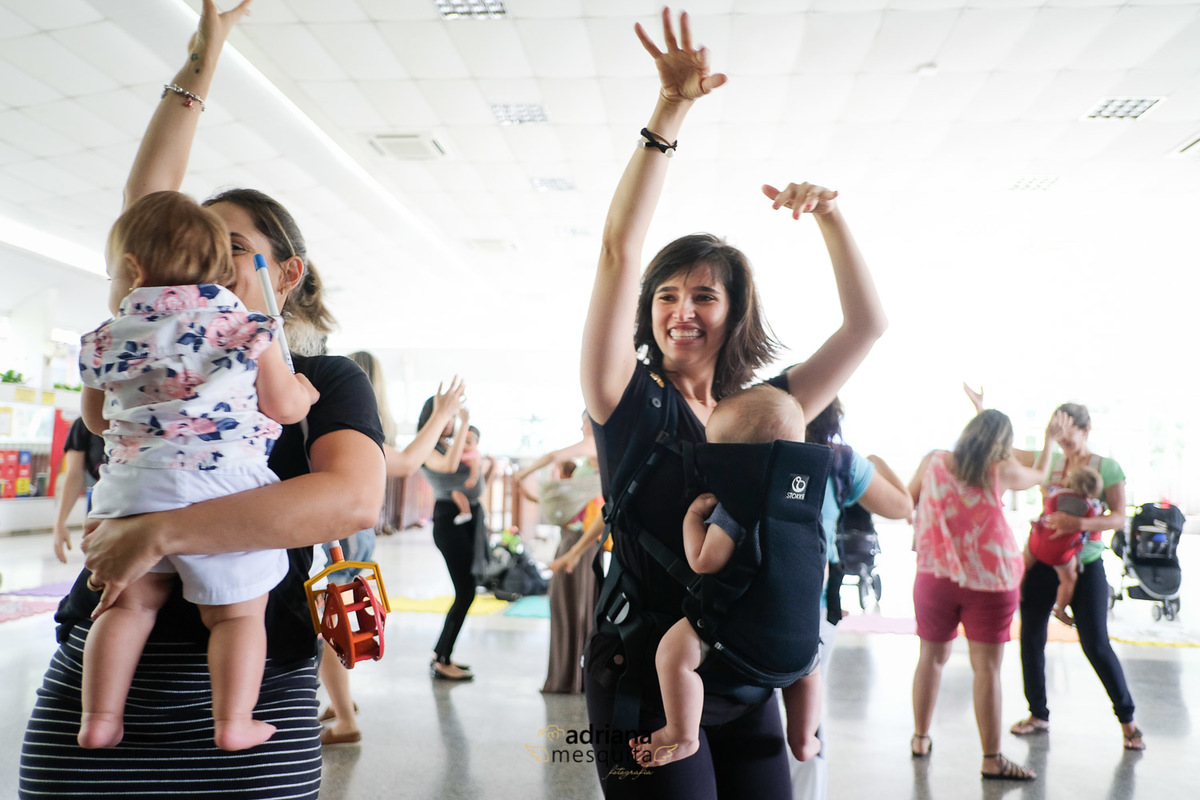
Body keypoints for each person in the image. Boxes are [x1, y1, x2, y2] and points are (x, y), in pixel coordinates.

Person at [19, 2, 385, 796]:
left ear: (287, 274)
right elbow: (142, 210)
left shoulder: (330, 380)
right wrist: (201, 59)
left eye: (233, 250)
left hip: (257, 691)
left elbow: (351, 501)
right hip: (98, 672)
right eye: (196, 249)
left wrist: (155, 533)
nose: (207, 265)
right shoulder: (150, 334)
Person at [580, 10, 887, 796]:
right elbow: (617, 252)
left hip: (746, 671)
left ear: (734, 310)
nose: (682, 311)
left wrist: (830, 216)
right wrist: (669, 111)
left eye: (704, 296)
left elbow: (866, 325)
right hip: (644, 676)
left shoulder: (767, 409)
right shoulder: (624, 397)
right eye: (668, 295)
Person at [75, 190, 318, 752]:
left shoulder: (108, 335)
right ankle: (233, 722)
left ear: (133, 270)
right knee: (236, 616)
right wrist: (304, 392)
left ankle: (101, 719)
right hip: (224, 487)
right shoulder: (247, 325)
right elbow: (284, 407)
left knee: (127, 604)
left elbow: (97, 420)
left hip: (132, 489)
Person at [632, 386, 821, 768]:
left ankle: (681, 734)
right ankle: (804, 738)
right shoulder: (805, 510)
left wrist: (692, 519)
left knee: (673, 654)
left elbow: (705, 561)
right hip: (799, 643)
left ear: (734, 459)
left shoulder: (737, 504)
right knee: (809, 670)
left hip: (742, 632)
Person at [906, 408, 1067, 781]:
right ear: (1002, 443)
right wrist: (1048, 440)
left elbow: (907, 501)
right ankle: (991, 759)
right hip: (990, 580)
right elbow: (1041, 474)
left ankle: (920, 738)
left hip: (936, 575)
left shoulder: (934, 461)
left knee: (930, 658)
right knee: (987, 669)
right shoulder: (1000, 469)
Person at [317, 356, 466, 746]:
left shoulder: (344, 429)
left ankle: (346, 719)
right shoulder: (360, 430)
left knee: (327, 622)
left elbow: (408, 463)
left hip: (341, 536)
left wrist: (443, 414)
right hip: (355, 534)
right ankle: (341, 701)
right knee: (333, 617)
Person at [786, 396, 911, 799]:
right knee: (808, 713)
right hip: (815, 605)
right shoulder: (840, 461)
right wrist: (874, 460)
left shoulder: (749, 447)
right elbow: (902, 505)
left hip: (747, 602)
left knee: (756, 713)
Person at [1010, 402, 1146, 752]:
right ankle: (1038, 714)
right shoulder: (1050, 460)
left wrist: (1079, 523)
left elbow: (1118, 517)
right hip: (1044, 561)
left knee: (1095, 643)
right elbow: (1001, 447)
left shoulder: (1107, 468)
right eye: (1057, 435)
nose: (1062, 443)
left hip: (1084, 564)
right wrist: (981, 410)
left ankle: (1128, 723)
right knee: (1031, 637)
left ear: (1086, 431)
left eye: (1067, 435)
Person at [514, 411, 604, 694]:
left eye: (584, 420)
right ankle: (573, 677)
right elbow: (569, 502)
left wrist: (523, 472)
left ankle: (571, 678)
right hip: (576, 539)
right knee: (574, 608)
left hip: (580, 543)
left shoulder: (594, 444)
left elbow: (554, 455)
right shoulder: (596, 454)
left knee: (572, 609)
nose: (581, 425)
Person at [419, 398, 482, 681]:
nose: (451, 422)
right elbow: (449, 466)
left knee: (467, 589)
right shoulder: (428, 447)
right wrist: (465, 424)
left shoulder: (446, 444)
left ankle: (441, 654)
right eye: (446, 416)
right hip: (449, 522)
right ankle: (442, 661)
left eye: (452, 417)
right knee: (466, 591)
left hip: (465, 521)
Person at [1022, 464, 1103, 626]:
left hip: (1037, 545)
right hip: (1060, 554)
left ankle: (1016, 590)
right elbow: (1097, 515)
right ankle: (1060, 608)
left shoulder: (1055, 494)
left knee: (1023, 564)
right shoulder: (1090, 506)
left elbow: (1044, 492)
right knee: (1069, 578)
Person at [52, 417, 106, 564]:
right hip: (101, 508)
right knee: (96, 565)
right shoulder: (83, 424)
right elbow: (74, 474)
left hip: (142, 511)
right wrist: (60, 523)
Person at [450, 426, 484, 525]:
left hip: (469, 484)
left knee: (456, 493)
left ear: (476, 443)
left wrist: (473, 478)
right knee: (456, 494)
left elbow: (475, 468)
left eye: (468, 443)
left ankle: (465, 512)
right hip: (464, 483)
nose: (464, 446)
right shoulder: (463, 452)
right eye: (462, 442)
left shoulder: (473, 455)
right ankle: (465, 511)